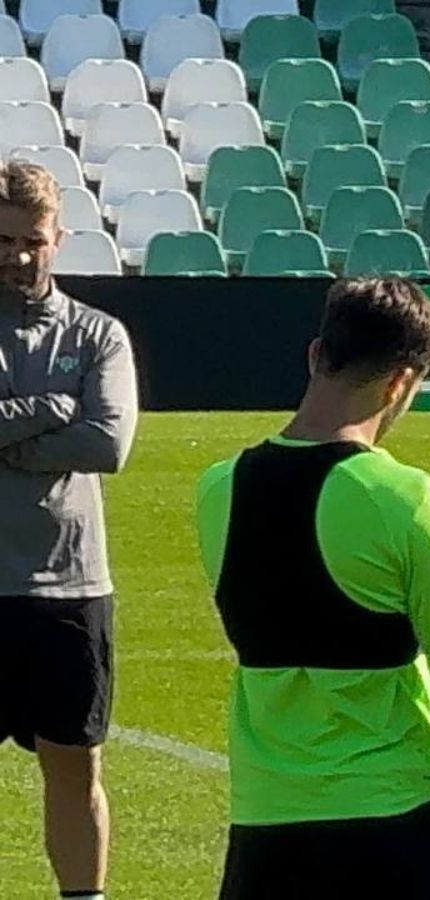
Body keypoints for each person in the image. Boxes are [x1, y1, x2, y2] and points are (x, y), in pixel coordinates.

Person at [193, 278, 430, 899]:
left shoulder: (217, 489)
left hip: (265, 831)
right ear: (402, 382)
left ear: (316, 355)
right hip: (389, 829)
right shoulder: (407, 500)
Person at [0, 160, 139, 900]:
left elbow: (108, 446)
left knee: (75, 766)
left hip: (70, 586)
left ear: (60, 238)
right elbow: (77, 428)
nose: (19, 255)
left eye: (34, 240)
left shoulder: (98, 333)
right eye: (4, 239)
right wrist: (49, 409)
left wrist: (8, 433)